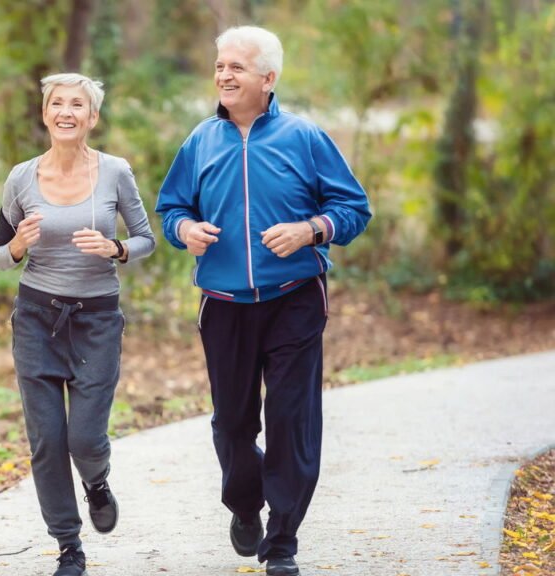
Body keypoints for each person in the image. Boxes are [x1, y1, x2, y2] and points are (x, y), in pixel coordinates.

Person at [155, 26, 372, 576]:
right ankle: (245, 502)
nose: (224, 75)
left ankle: (282, 542)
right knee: (232, 423)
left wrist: (312, 230)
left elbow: (353, 209)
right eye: (220, 65)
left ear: (268, 78)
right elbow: (171, 207)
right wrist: (185, 231)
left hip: (294, 298)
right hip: (224, 301)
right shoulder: (200, 140)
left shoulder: (304, 137)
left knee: (291, 417)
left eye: (237, 67)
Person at [0, 72, 155, 576]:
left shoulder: (115, 172)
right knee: (46, 439)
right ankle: (68, 545)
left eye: (77, 104)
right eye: (57, 103)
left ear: (92, 116)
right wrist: (18, 245)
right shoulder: (21, 177)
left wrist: (117, 248)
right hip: (38, 318)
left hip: (97, 320)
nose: (66, 111)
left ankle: (97, 481)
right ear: (45, 114)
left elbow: (146, 238)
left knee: (83, 437)